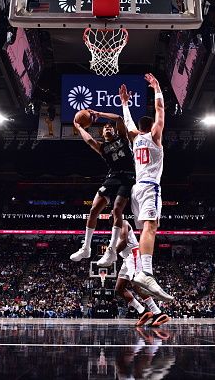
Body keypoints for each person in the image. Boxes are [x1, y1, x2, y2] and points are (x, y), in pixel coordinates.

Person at [118, 74, 172, 302]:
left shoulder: (134, 138)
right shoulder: (154, 136)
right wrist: (157, 87)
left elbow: (127, 122)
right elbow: (161, 109)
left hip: (136, 189)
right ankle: (146, 273)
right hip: (150, 187)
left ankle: (143, 269)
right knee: (151, 228)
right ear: (151, 127)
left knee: (146, 231)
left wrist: (125, 103)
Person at [69, 111, 135, 266]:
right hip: (112, 178)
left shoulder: (123, 138)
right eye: (105, 127)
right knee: (93, 210)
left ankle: (111, 251)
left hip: (127, 176)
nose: (108, 127)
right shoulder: (103, 147)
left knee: (117, 210)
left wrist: (98, 113)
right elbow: (89, 140)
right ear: (102, 132)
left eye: (109, 127)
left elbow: (119, 118)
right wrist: (79, 127)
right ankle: (86, 248)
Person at [114, 218, 170, 327]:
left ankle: (158, 313)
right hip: (126, 258)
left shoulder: (123, 222)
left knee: (136, 283)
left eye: (113, 213)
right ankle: (143, 311)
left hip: (133, 254)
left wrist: (111, 253)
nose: (111, 215)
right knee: (119, 289)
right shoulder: (114, 229)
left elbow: (124, 241)